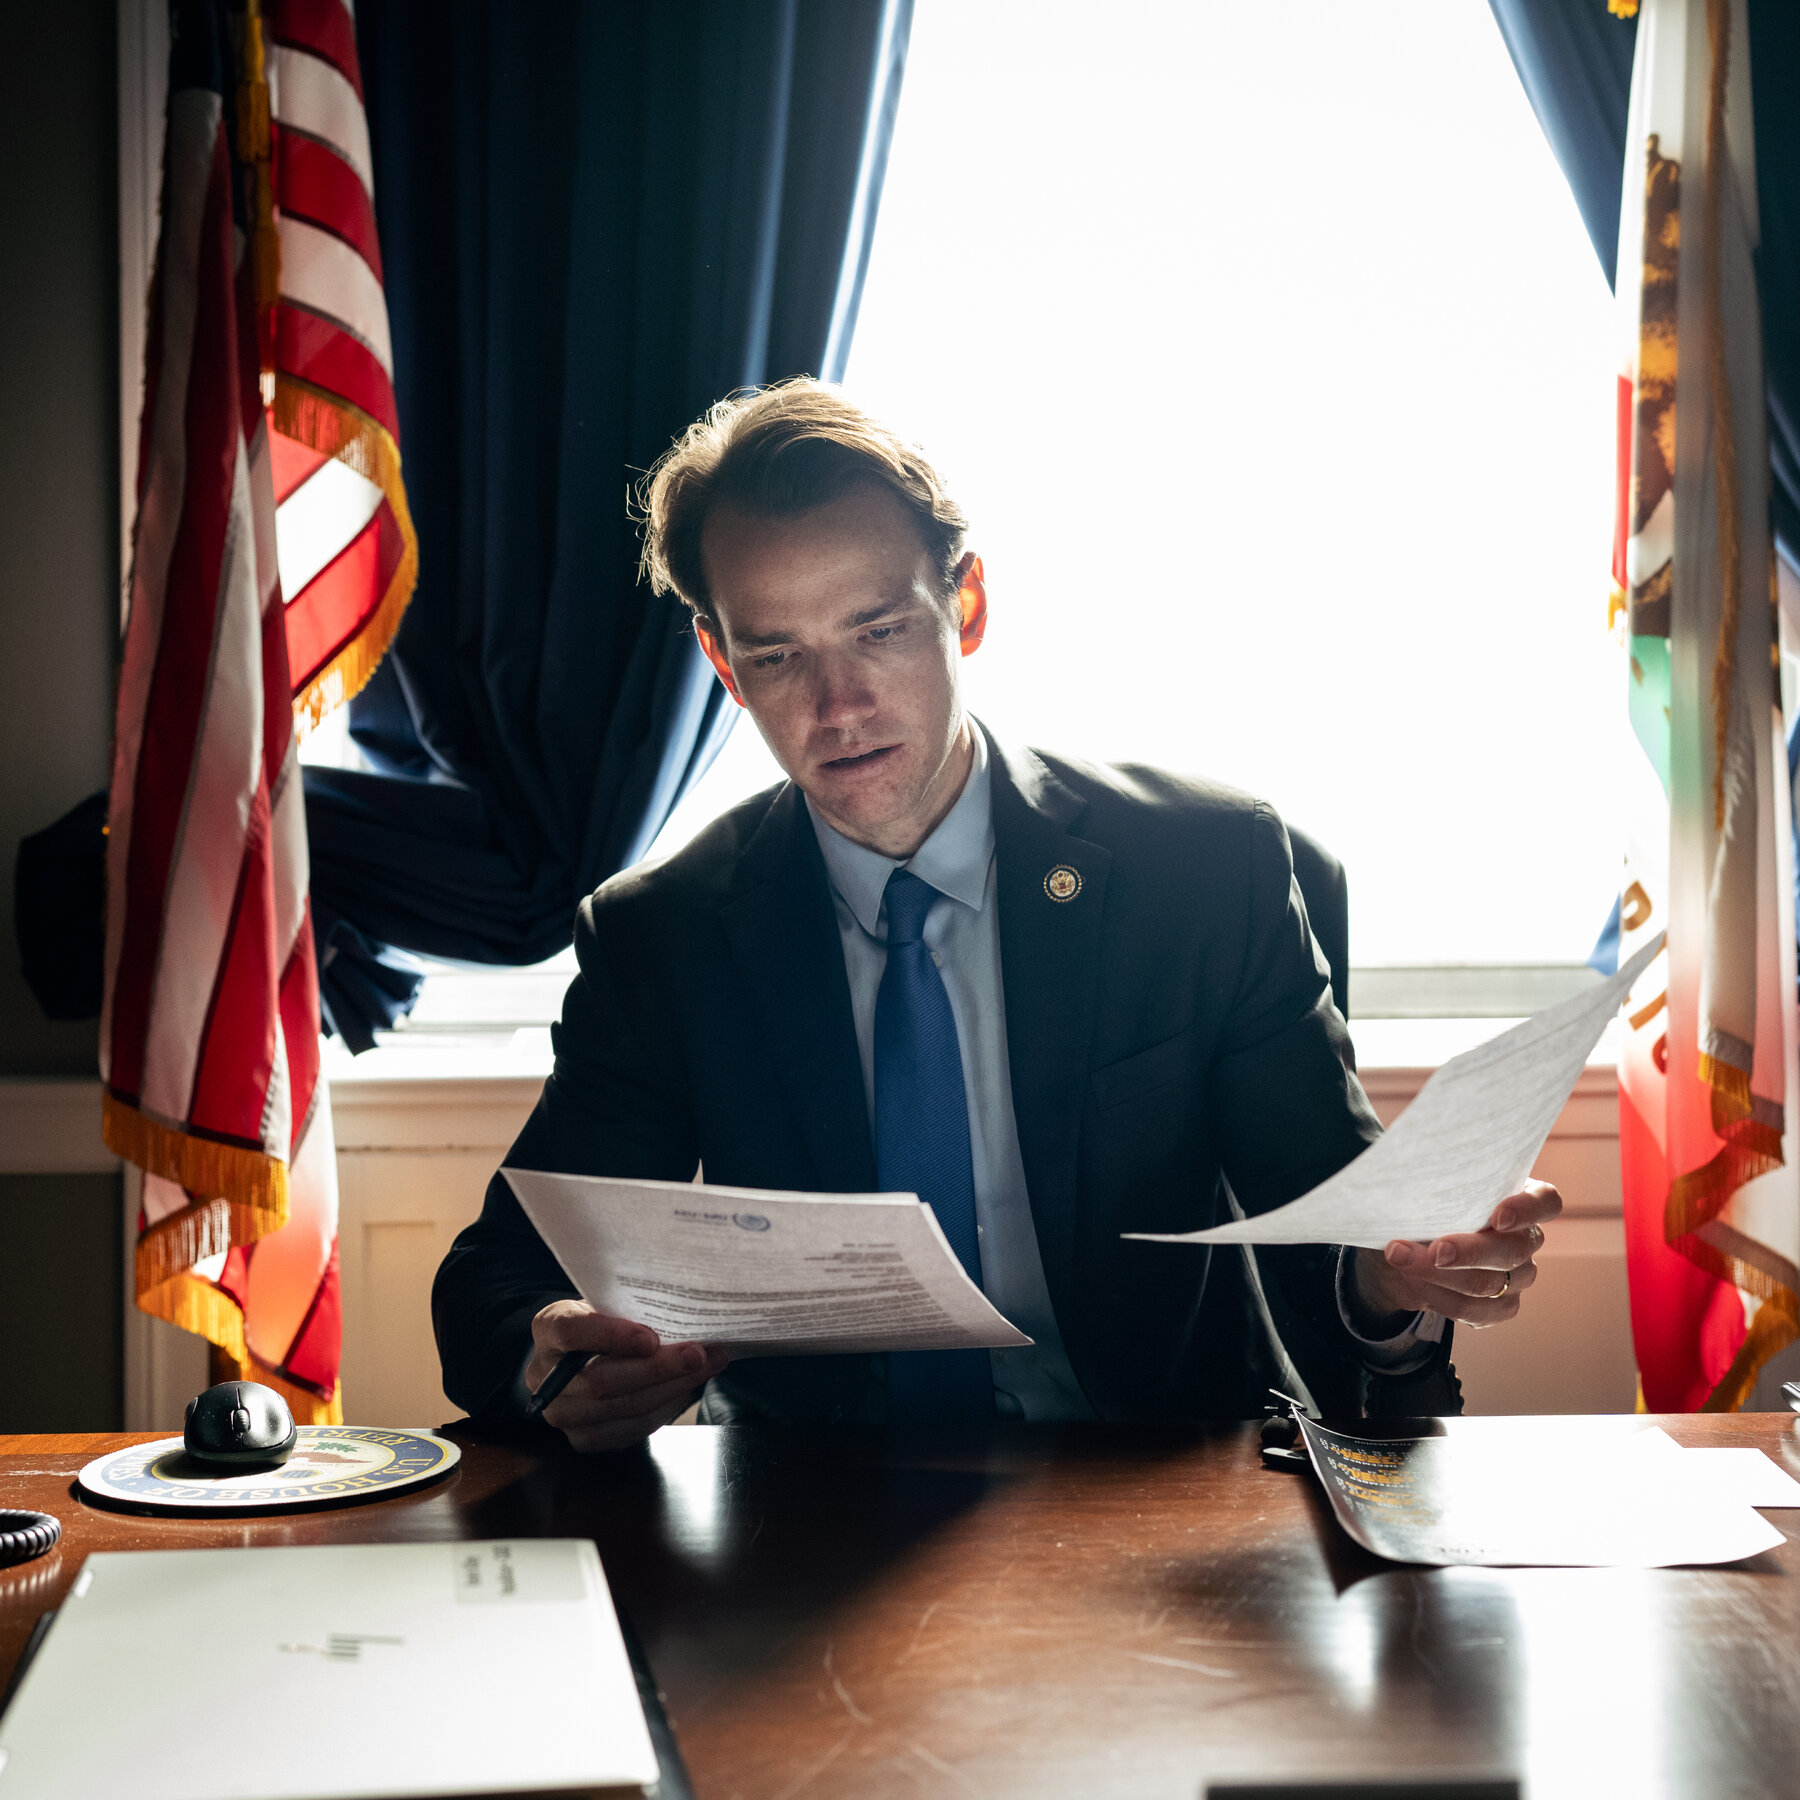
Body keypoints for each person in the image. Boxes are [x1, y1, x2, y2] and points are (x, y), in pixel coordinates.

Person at [432, 380, 1561, 1449]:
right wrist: (548, 1362)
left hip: (1158, 1498)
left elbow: (1329, 1222)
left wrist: (1399, 1273)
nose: (839, 707)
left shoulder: (1204, 873)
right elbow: (495, 1279)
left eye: (878, 631)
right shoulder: (667, 936)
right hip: (811, 1521)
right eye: (779, 656)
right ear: (723, 664)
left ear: (963, 606)